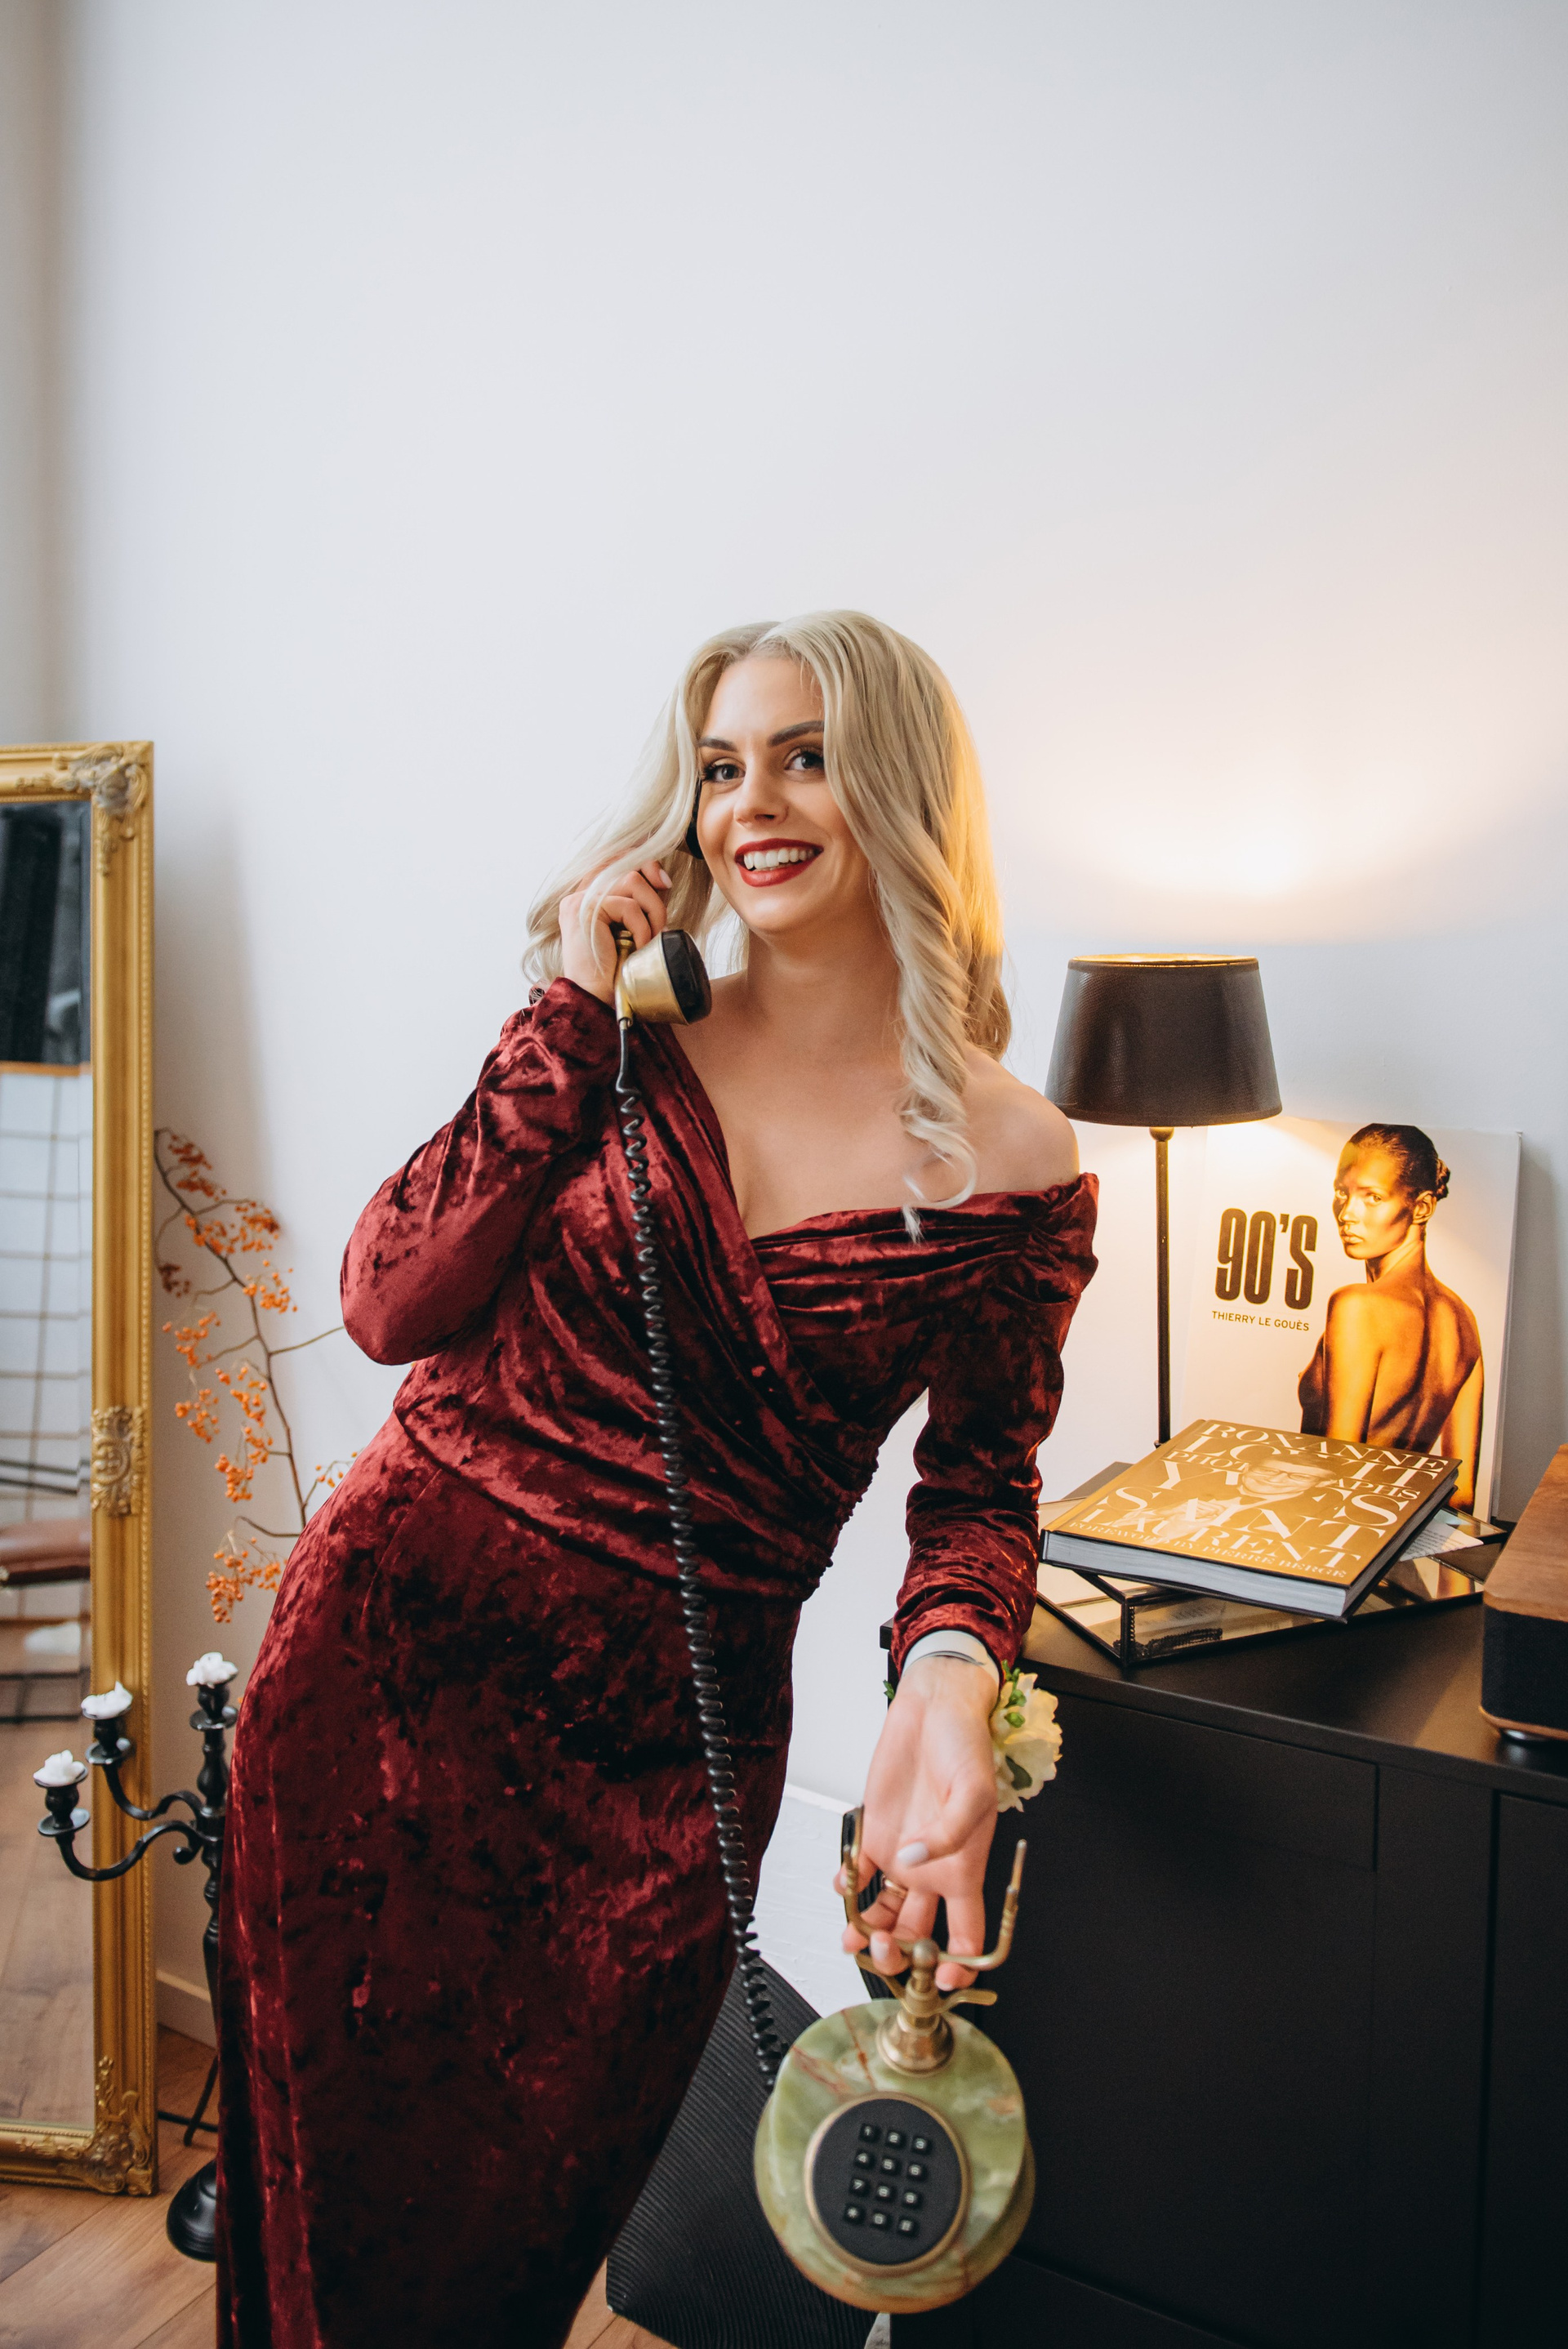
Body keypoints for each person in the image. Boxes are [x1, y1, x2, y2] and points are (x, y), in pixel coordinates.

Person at [215, 611, 1098, 2349]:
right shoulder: (615, 1039)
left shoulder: (1014, 1158)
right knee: (329, 2238)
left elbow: (981, 1488)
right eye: (719, 767)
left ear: (905, 787)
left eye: (805, 756)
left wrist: (948, 1675)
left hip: (659, 1772)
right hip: (379, 1684)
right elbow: (388, 1300)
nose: (749, 804)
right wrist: (564, 1008)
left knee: (504, 2258)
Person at [1298, 1123, 1482, 1511]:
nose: (1347, 1213)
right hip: (1398, 1532)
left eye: (1373, 1197)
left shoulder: (1355, 1306)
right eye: (1342, 1193)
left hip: (1333, 1528)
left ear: (1421, 1208)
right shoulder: (1464, 1320)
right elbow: (1462, 1497)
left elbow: (1338, 1468)